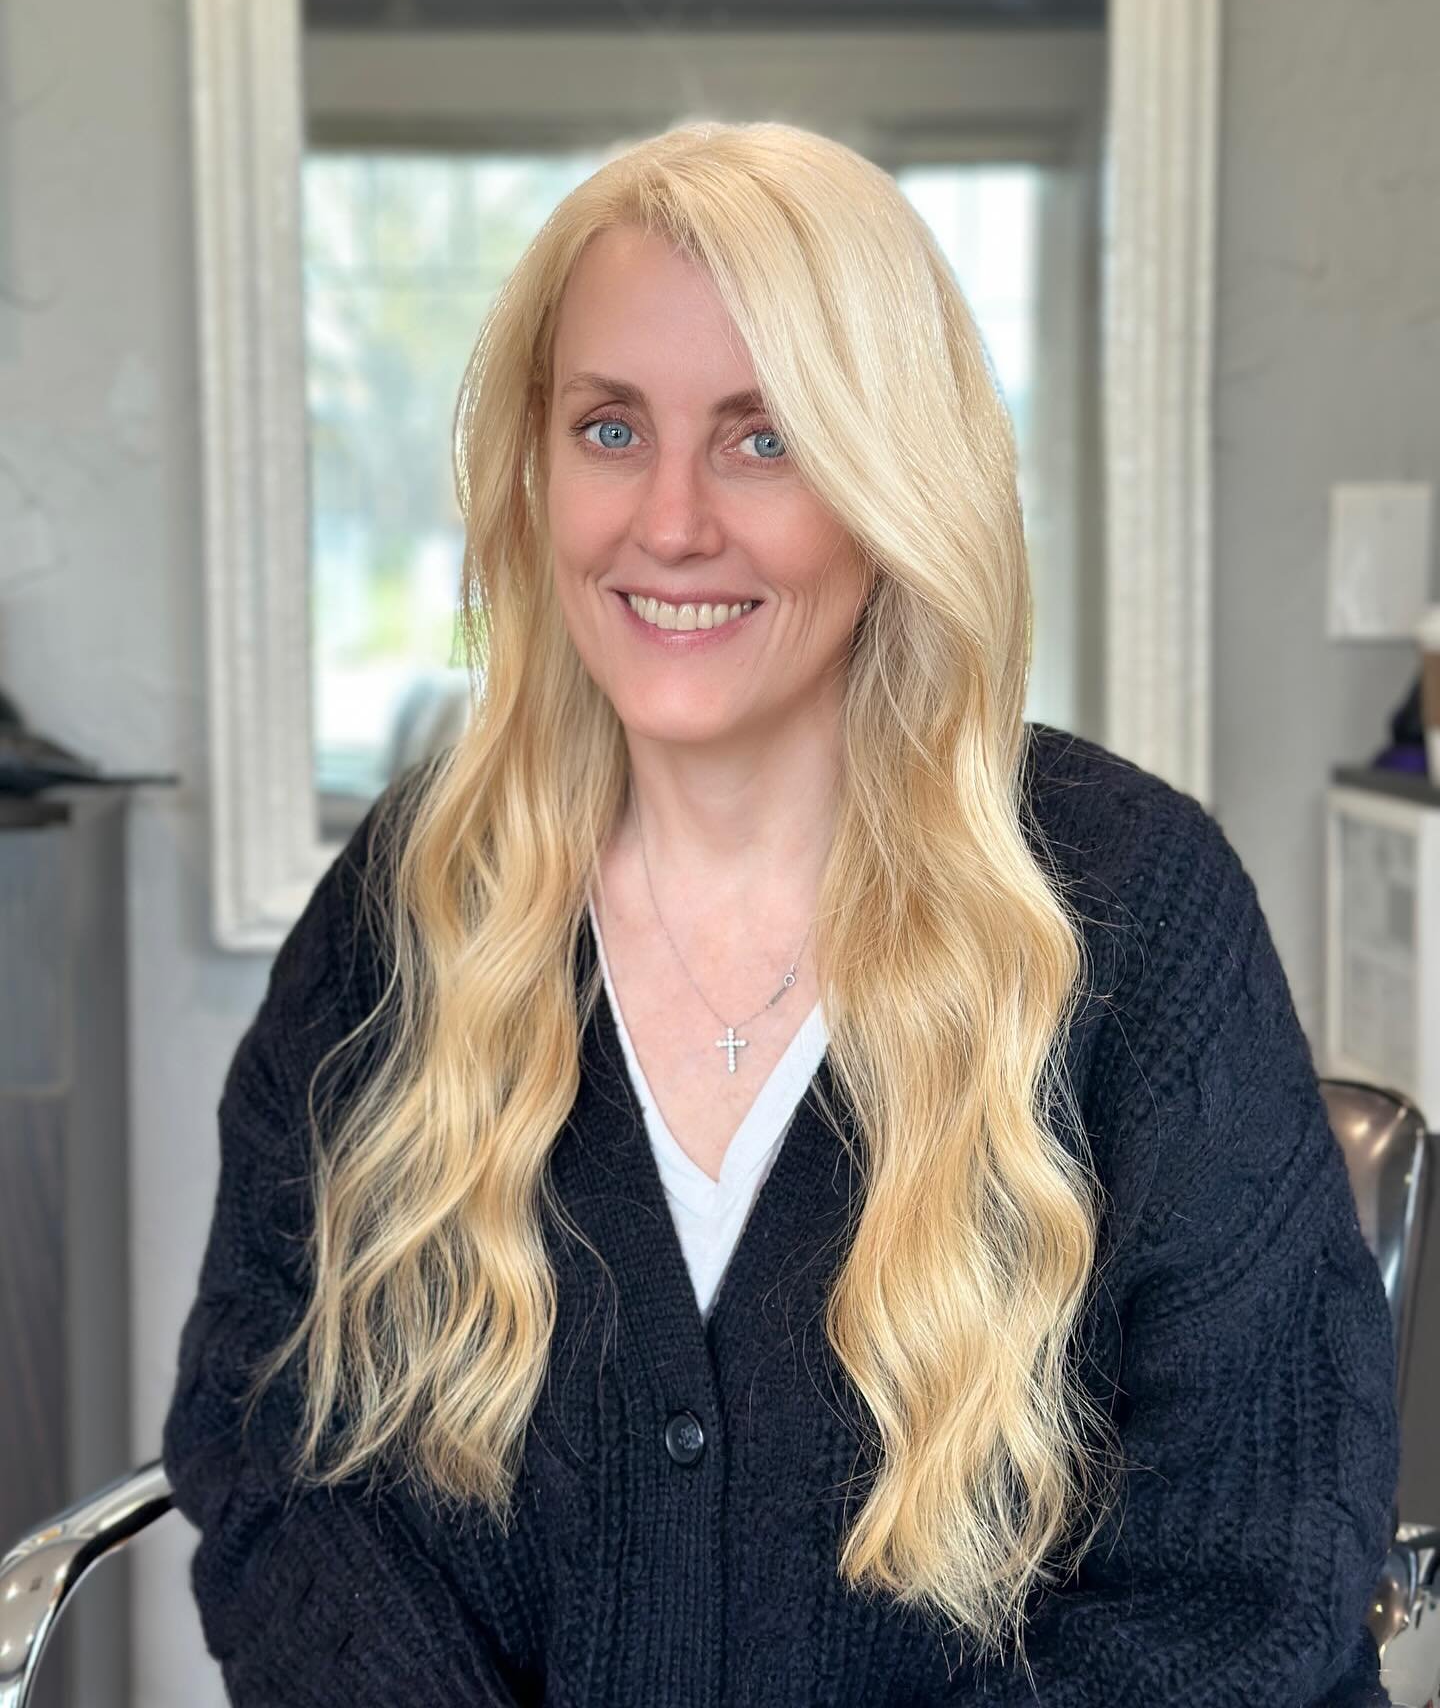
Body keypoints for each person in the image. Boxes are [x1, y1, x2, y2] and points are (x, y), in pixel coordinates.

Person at [161, 119, 1400, 1707]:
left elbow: (1249, 1569)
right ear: (536, 466)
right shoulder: (406, 913)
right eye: (611, 429)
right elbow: (275, 1447)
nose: (672, 522)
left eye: (765, 440)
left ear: (893, 486)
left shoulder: (1132, 909)